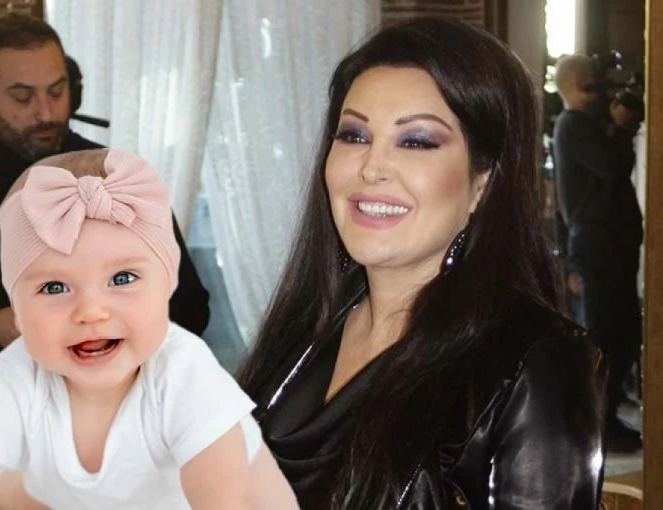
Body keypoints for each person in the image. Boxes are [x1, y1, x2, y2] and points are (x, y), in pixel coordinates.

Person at [238, 17, 607, 509]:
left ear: (483, 182)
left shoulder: (536, 365)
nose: (371, 167)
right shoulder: (308, 325)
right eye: (354, 135)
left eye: (415, 141)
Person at [0, 149, 297, 509]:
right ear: (16, 313)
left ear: (167, 288)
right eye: (55, 287)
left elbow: (222, 494)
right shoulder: (16, 377)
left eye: (122, 279)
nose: (90, 312)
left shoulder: (180, 371)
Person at [0, 12, 209, 431]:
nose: (45, 112)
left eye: (57, 92)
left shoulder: (120, 179)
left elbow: (191, 306)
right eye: (22, 97)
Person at [553, 55, 642, 452]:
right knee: (604, 335)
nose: (601, 91)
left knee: (625, 331)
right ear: (576, 86)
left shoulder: (587, 125)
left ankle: (607, 415)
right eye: (593, 83)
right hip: (597, 244)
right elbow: (611, 166)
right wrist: (621, 128)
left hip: (609, 244)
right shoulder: (573, 125)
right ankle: (597, 424)